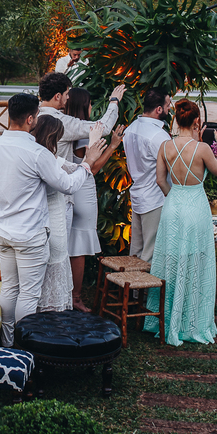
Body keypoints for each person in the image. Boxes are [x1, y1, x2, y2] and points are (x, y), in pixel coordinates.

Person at [0, 93, 107, 345]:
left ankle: (7, 343)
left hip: (2, 230)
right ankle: (25, 346)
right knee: (28, 294)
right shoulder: (38, 153)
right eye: (37, 115)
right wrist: (88, 163)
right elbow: (68, 185)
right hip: (30, 234)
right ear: (30, 119)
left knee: (10, 288)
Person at [145, 101, 217, 346]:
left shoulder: (165, 146)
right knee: (195, 260)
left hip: (173, 205)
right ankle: (191, 320)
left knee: (170, 260)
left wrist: (174, 197)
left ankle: (165, 318)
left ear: (176, 120)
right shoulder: (202, 148)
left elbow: (161, 180)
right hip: (195, 208)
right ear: (196, 121)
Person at [38, 75, 125, 305]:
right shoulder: (60, 121)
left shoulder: (33, 115)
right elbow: (102, 127)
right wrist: (114, 101)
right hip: (60, 193)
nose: (68, 98)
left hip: (36, 193)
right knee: (58, 253)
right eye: (67, 94)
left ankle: (49, 301)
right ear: (58, 96)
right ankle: (59, 303)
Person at [124, 89, 173, 264]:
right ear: (159, 109)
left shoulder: (131, 128)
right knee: (150, 254)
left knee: (136, 251)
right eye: (168, 105)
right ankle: (146, 283)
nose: (170, 108)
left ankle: (131, 282)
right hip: (154, 198)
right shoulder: (158, 136)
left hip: (138, 193)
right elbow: (173, 165)